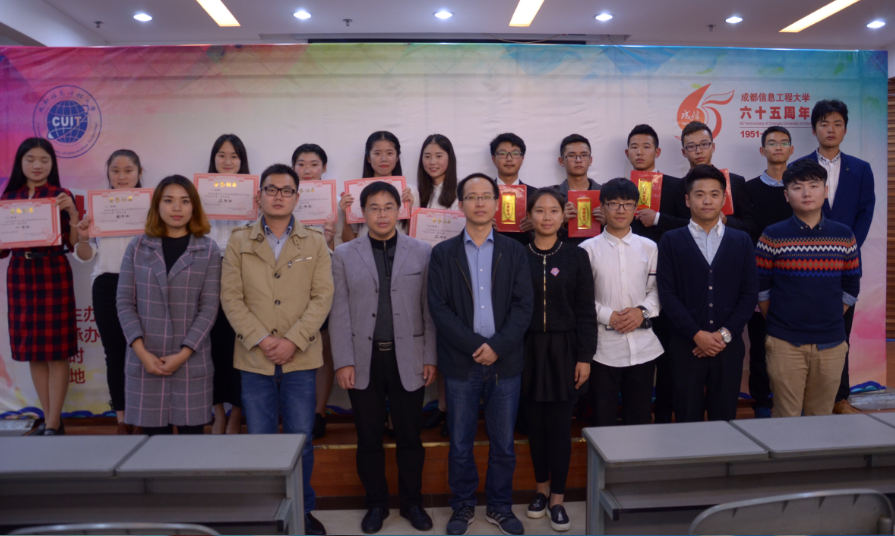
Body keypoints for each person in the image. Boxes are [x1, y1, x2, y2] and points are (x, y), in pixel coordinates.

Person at [220, 164, 333, 536]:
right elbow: (231, 298)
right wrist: (262, 339)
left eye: (287, 190)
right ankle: (266, 512)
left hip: (301, 358)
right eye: (272, 189)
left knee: (302, 441)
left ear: (297, 197)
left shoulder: (314, 241)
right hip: (255, 358)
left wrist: (293, 340)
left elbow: (322, 297)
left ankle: (303, 509)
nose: (279, 196)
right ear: (259, 196)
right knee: (261, 442)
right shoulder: (239, 240)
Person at [428, 173, 534, 536]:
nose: (479, 203)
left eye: (486, 196)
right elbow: (439, 309)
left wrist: (498, 346)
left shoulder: (514, 251)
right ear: (461, 205)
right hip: (461, 363)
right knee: (460, 444)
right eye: (472, 197)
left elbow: (523, 306)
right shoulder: (443, 253)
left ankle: (500, 507)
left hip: (506, 362)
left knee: (503, 445)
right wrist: (476, 346)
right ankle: (462, 505)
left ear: (496, 203)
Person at [331, 181, 437, 534]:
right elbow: (339, 311)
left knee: (410, 438)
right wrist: (343, 360)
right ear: (362, 212)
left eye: (388, 206)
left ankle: (412, 503)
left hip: (409, 357)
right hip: (364, 359)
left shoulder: (422, 251)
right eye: (373, 207)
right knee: (368, 438)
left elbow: (429, 309)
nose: (381, 214)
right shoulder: (344, 254)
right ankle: (376, 504)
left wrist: (430, 356)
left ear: (399, 210)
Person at [116, 175, 220, 435]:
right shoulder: (138, 247)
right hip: (147, 360)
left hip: (191, 361)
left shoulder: (208, 249)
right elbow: (125, 302)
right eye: (169, 200)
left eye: (184, 201)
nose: (177, 208)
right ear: (157, 206)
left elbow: (209, 308)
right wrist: (142, 354)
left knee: (191, 445)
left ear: (194, 206)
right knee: (153, 448)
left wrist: (182, 355)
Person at [757, 159, 860, 417]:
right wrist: (782, 321)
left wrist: (830, 316)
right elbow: (761, 288)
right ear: (786, 195)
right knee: (786, 416)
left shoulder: (844, 235)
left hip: (831, 343)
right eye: (797, 187)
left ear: (825, 191)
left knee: (820, 417)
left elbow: (851, 285)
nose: (806, 193)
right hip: (784, 343)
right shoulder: (772, 235)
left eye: (814, 186)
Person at [792, 99, 875, 415]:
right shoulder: (798, 167)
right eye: (824, 123)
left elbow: (865, 214)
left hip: (844, 266)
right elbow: (794, 211)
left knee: (841, 333)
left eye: (837, 124)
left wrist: (846, 249)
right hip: (804, 263)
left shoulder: (861, 169)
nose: (831, 129)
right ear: (814, 129)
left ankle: (840, 397)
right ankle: (803, 396)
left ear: (845, 130)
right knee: (804, 333)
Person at [657, 165, 758, 422]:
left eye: (714, 194)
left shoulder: (741, 240)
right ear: (687, 200)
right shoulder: (671, 240)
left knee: (724, 421)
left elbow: (749, 294)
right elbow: (667, 294)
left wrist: (723, 335)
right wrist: (697, 335)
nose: (707, 201)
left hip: (728, 347)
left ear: (724, 199)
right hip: (685, 346)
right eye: (699, 194)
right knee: (686, 418)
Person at [522, 189, 596, 532]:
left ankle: (558, 499)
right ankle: (540, 490)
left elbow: (585, 310)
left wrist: (585, 357)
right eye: (540, 210)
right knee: (535, 427)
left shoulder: (576, 256)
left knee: (559, 428)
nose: (547, 217)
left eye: (554, 210)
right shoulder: (518, 255)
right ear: (529, 216)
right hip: (527, 349)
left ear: (564, 215)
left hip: (566, 350)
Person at [1, 138, 80, 436]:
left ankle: (53, 422)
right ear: (20, 163)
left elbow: (74, 244)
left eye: (44, 160)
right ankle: (50, 420)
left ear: (52, 164)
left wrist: (73, 214)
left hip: (53, 271)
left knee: (57, 351)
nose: (37, 165)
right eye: (31, 159)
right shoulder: (9, 198)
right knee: (34, 350)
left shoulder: (61, 195)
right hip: (20, 274)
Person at [73, 149, 146, 434]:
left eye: (128, 170)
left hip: (143, 285)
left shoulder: (152, 206)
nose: (122, 176)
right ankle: (122, 419)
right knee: (114, 354)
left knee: (143, 353)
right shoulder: (97, 208)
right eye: (115, 171)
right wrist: (83, 238)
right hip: (106, 285)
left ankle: (144, 415)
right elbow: (85, 256)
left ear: (139, 173)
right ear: (108, 174)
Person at [580, 178, 662, 428]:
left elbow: (657, 290)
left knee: (639, 420)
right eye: (613, 204)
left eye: (627, 204)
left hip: (643, 348)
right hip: (602, 350)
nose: (620, 210)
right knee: (602, 421)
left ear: (636, 208)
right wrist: (608, 316)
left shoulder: (649, 247)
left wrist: (641, 312)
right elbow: (580, 299)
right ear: (602, 207)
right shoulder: (586, 249)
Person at [624, 124, 689, 424]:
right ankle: (633, 411)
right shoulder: (618, 189)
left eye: (646, 146)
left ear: (658, 151)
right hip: (628, 282)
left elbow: (692, 225)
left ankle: (664, 412)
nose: (640, 152)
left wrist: (659, 218)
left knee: (667, 349)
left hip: (668, 281)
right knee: (631, 346)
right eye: (634, 147)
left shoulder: (676, 185)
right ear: (627, 152)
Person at [743, 126, 795, 418]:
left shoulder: (801, 188)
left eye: (783, 142)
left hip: (796, 277)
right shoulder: (749, 189)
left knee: (795, 343)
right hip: (761, 274)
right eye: (772, 143)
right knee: (760, 345)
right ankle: (761, 402)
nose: (778, 147)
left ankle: (793, 400)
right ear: (762, 150)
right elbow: (748, 231)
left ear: (791, 150)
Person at [416, 134, 460, 438]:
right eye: (427, 156)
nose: (433, 162)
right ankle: (442, 406)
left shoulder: (461, 192)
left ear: (450, 159)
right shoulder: (411, 193)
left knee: (449, 343)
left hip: (452, 275)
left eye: (439, 156)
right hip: (418, 273)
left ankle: (452, 410)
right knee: (429, 341)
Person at [292, 143, 336, 439]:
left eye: (314, 164)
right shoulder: (282, 198)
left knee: (323, 346)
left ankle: (319, 411)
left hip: (322, 279)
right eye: (301, 164)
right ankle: (297, 410)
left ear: (324, 168)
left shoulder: (335, 202)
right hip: (289, 280)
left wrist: (330, 240)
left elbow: (344, 249)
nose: (307, 170)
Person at [207, 134, 250, 434]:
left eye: (234, 156)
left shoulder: (254, 193)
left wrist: (258, 208)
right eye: (221, 155)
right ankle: (217, 412)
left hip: (242, 273)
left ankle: (236, 413)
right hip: (207, 271)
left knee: (240, 345)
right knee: (211, 346)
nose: (227, 161)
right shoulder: (199, 193)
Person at [674, 121, 757, 239]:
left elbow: (751, 226)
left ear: (713, 147)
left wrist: (725, 220)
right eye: (691, 146)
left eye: (704, 144)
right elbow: (678, 226)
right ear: (684, 152)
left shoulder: (735, 182)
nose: (699, 151)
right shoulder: (679, 187)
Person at [338, 131, 417, 244]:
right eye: (377, 153)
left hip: (401, 252)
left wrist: (409, 213)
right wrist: (347, 216)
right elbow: (349, 243)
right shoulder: (354, 192)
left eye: (389, 153)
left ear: (397, 157)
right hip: (365, 253)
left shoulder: (410, 192)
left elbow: (416, 240)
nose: (384, 159)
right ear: (368, 158)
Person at [553, 134, 602, 247]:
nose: (578, 160)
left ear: (590, 160)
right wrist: (560, 220)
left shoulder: (605, 194)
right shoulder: (552, 196)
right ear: (561, 161)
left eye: (584, 155)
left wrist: (608, 223)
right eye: (571, 156)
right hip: (566, 252)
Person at [490, 133, 537, 245]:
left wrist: (536, 225)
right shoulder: (483, 193)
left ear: (522, 159)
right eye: (502, 154)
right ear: (493, 159)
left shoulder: (536, 195)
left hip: (525, 250)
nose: (509, 159)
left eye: (515, 154)